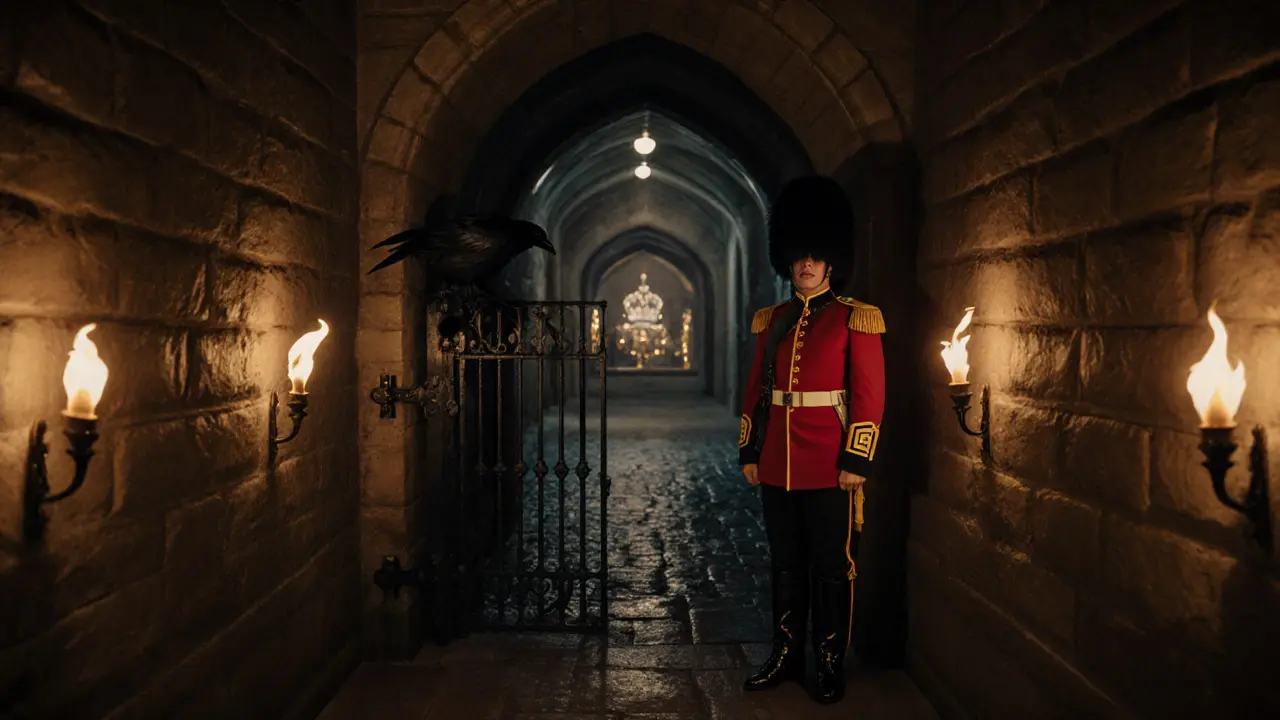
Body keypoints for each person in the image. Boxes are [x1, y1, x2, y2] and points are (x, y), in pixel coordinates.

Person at [737, 175, 886, 704]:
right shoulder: (773, 320)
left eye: (815, 256)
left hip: (829, 462)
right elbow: (757, 388)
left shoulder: (855, 319)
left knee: (831, 565)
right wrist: (751, 449)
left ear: (830, 262)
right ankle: (784, 653)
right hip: (778, 461)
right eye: (798, 255)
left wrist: (856, 458)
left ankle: (828, 657)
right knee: (784, 560)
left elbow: (869, 396)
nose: (805, 264)